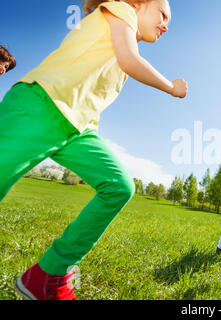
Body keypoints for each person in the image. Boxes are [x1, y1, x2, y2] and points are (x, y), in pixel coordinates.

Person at [0, 0, 187, 300]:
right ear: (138, 4)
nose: (166, 25)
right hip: (40, 106)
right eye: (163, 14)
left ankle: (50, 273)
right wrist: (171, 87)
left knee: (119, 186)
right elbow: (130, 60)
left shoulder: (119, 40)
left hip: (78, 129)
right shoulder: (120, 10)